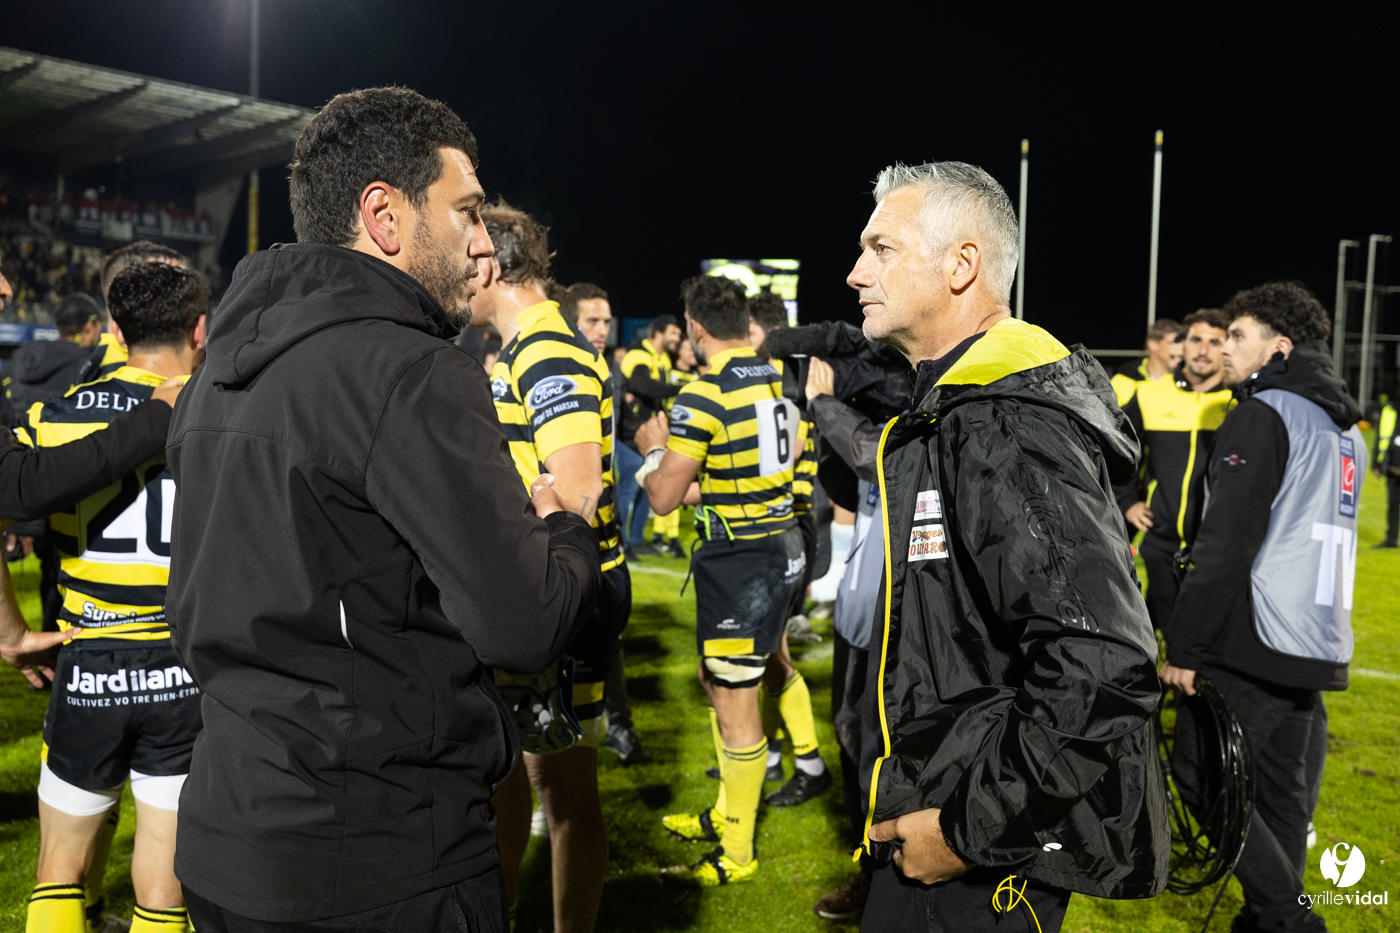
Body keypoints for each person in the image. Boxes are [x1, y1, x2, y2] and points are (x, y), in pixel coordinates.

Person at [164, 87, 600, 932]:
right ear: (386, 215)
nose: (484, 245)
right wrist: (569, 530)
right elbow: (524, 623)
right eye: (468, 213)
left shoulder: (216, 371)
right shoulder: (406, 369)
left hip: (225, 828)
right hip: (381, 851)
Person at [847, 162, 1167, 931]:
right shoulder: (962, 406)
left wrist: (966, 828)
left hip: (977, 854)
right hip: (949, 809)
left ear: (963, 264)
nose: (856, 272)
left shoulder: (1003, 420)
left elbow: (1103, 658)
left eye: (881, 248)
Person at [1161, 281, 1364, 933]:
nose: (1225, 347)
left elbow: (1226, 541)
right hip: (1318, 640)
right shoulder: (1343, 426)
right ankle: (1268, 920)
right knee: (1280, 799)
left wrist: (1186, 647)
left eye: (1238, 336)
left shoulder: (1264, 411)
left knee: (1198, 777)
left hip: (1258, 636)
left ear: (1279, 346)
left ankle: (1290, 917)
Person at [17, 260, 210, 933]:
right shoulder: (218, 419)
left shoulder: (56, 417)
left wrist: (10, 629)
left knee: (60, 873)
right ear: (201, 327)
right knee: (165, 886)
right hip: (180, 663)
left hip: (89, 656)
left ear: (117, 332)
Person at [469, 201, 623, 933]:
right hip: (540, 587)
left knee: (563, 788)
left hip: (565, 595)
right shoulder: (527, 347)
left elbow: (577, 490)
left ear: (487, 263)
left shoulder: (544, 348)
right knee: (512, 773)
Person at [634, 275, 815, 887]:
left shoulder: (703, 394)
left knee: (738, 705)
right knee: (722, 680)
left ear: (697, 328)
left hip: (743, 564)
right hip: (779, 545)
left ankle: (736, 852)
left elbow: (661, 499)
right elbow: (749, 473)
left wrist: (654, 452)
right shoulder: (776, 379)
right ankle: (725, 813)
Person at [1115, 308, 1233, 628]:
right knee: (1161, 636)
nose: (1203, 350)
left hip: (1215, 549)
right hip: (1160, 543)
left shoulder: (1237, 404)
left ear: (1227, 348)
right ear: (1183, 345)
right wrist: (1128, 501)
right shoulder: (1149, 395)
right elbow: (1116, 451)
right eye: (1196, 339)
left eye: (1214, 341)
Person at [615, 316, 683, 556]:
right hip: (629, 434)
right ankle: (620, 542)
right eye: (674, 333)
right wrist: (681, 388)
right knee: (629, 489)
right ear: (659, 332)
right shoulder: (637, 353)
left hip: (650, 434)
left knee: (647, 488)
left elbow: (656, 395)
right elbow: (642, 385)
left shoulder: (663, 358)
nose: (678, 338)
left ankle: (636, 541)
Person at [2, 293, 104, 428]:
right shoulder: (89, 368)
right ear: (89, 327)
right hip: (54, 445)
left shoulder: (24, 355)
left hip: (13, 441)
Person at [1110, 317, 1184, 405]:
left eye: (1183, 344)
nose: (1180, 350)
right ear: (1153, 345)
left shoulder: (1188, 382)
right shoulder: (1123, 380)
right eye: (1173, 343)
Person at [1374, 393, 1398, 548]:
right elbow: (1381, 436)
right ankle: (1391, 540)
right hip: (1392, 467)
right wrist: (1376, 464)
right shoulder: (1389, 410)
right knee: (1393, 506)